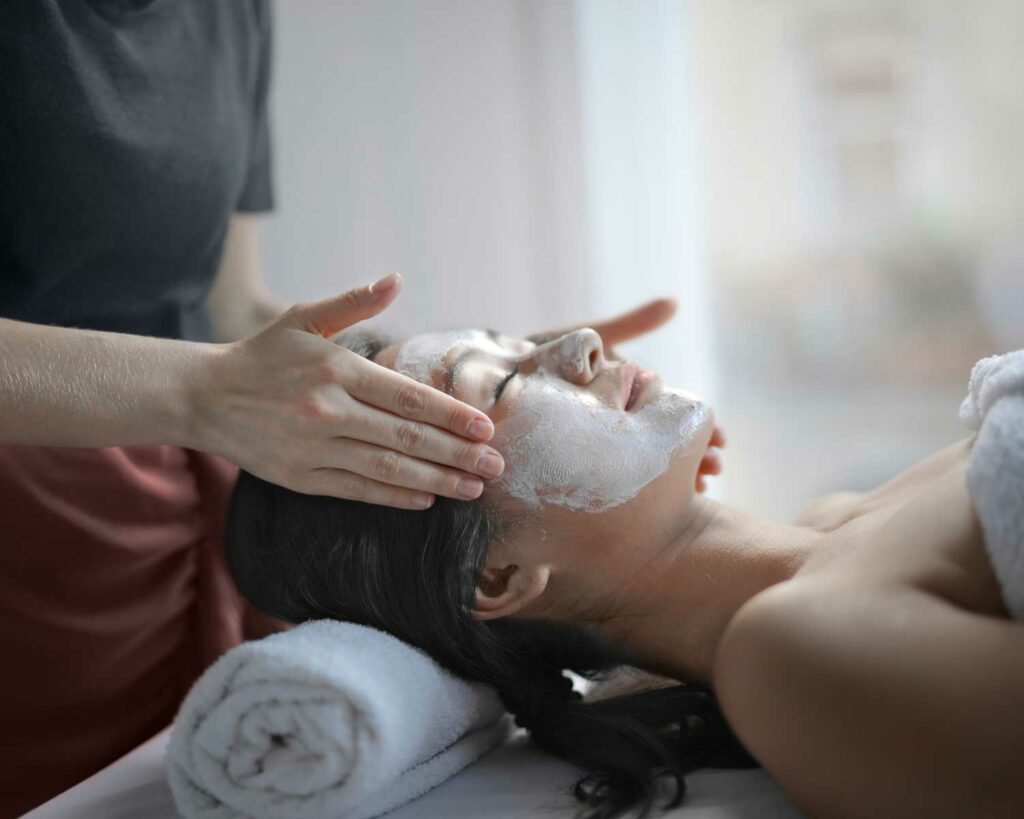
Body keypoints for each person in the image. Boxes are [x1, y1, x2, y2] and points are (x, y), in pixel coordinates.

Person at [0, 3, 677, 813]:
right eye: (499, 367)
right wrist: (199, 393)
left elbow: (232, 310)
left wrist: (467, 385)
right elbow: (206, 367)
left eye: (499, 360)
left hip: (179, 499)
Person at [227, 326, 1024, 819]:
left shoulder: (837, 514)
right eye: (501, 381)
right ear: (499, 575)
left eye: (515, 338)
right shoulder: (792, 657)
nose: (582, 340)